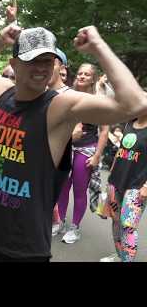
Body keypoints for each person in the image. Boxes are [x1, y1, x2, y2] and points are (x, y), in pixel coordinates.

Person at [0, 23, 147, 262]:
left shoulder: (60, 106)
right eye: (32, 61)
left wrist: (99, 47)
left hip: (24, 248)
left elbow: (136, 104)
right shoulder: (2, 90)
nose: (41, 69)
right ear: (14, 63)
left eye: (48, 61)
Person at [57, 63, 109, 244]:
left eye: (87, 74)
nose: (82, 76)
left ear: (93, 79)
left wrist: (96, 156)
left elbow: (104, 131)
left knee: (79, 191)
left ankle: (75, 227)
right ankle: (60, 221)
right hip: (66, 147)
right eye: (80, 73)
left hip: (86, 150)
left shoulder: (99, 101)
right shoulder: (68, 96)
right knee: (62, 187)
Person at [100, 109, 147, 262]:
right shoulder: (129, 124)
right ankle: (121, 256)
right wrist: (110, 178)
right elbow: (121, 151)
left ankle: (127, 260)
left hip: (136, 185)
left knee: (128, 226)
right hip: (116, 181)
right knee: (115, 221)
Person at [47, 48, 72, 236]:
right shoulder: (38, 92)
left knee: (44, 204)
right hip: (34, 158)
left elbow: (78, 130)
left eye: (51, 62)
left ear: (60, 66)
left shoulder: (70, 95)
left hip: (58, 160)